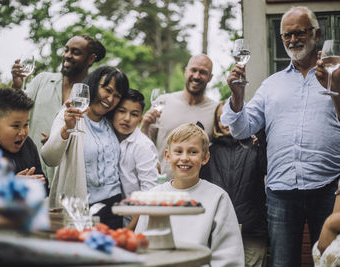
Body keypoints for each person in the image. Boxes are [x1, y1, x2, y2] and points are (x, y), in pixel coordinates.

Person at [221, 6, 340, 266]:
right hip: (281, 190)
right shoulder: (271, 84)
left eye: (299, 33)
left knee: (330, 261)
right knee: (282, 263)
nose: (292, 40)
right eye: (286, 35)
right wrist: (237, 96)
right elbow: (242, 129)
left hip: (329, 187)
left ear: (316, 34)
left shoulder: (336, 76)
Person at [136, 123, 244, 266]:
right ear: (168, 156)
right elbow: (139, 246)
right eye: (178, 151)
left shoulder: (218, 197)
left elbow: (229, 253)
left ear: (205, 157)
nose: (185, 158)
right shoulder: (154, 196)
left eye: (193, 152)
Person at [41, 66, 129, 229]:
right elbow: (49, 158)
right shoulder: (70, 115)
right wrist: (66, 129)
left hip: (115, 208)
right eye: (107, 90)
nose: (110, 99)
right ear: (94, 85)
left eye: (116, 96)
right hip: (83, 209)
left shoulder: (111, 122)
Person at [11, 34, 106, 183]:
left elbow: (98, 139)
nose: (67, 56)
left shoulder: (93, 97)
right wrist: (17, 85)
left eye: (75, 52)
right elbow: (15, 109)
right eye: (66, 50)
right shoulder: (42, 80)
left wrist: (59, 141)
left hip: (67, 178)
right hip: (32, 173)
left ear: (91, 58)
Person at [199, 100, 268, 267]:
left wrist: (260, 138)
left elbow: (268, 168)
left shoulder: (255, 147)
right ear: (216, 122)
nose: (227, 122)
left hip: (252, 232)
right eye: (222, 118)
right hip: (218, 232)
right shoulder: (209, 153)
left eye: (231, 117)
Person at [140, 54, 218, 180]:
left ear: (210, 77)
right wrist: (145, 124)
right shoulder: (163, 102)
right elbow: (143, 144)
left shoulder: (216, 110)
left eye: (203, 72)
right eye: (193, 70)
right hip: (162, 183)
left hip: (198, 187)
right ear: (185, 71)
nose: (197, 76)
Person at [0, 88, 48, 192]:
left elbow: (43, 187)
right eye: (16, 126)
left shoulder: (28, 145)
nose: (23, 133)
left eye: (26, 125)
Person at [111, 88, 158, 227]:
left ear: (140, 119)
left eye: (134, 114)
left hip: (137, 221)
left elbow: (150, 194)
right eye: (121, 111)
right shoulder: (107, 136)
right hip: (112, 216)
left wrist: (130, 229)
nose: (127, 118)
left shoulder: (143, 146)